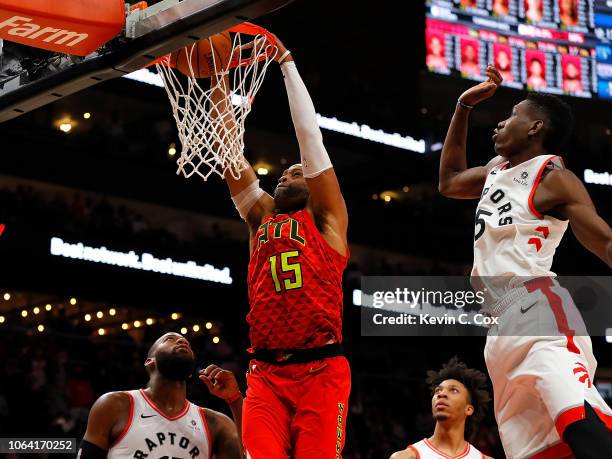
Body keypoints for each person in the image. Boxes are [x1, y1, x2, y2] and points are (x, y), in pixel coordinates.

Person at [438, 64, 612, 458]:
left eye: (512, 115)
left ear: (535, 128)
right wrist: (462, 107)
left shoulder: (552, 177)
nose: (499, 122)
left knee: (581, 419)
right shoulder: (495, 171)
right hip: (497, 326)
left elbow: (602, 238)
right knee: (538, 448)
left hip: (537, 309)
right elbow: (448, 182)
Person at [210, 34, 351, 458]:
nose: (285, 176)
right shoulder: (261, 219)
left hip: (321, 370)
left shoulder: (326, 219)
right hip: (266, 373)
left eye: (295, 172)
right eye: (282, 173)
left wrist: (287, 66)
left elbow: (312, 140)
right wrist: (214, 82)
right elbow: (230, 153)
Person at [77, 332, 244, 459]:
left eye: (187, 343)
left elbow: (256, 453)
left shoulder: (216, 423)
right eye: (170, 339)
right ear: (150, 361)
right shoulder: (114, 405)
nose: (182, 340)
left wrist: (235, 400)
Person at [389, 358, 492, 459]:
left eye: (454, 390)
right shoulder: (406, 456)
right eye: (438, 390)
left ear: (468, 409)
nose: (441, 394)